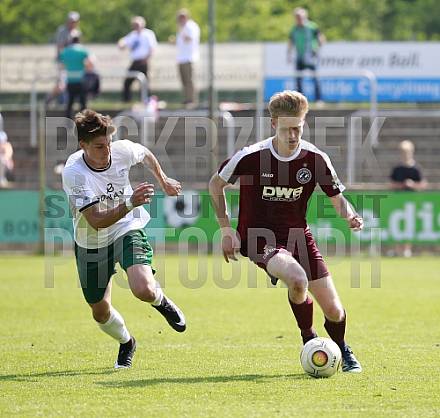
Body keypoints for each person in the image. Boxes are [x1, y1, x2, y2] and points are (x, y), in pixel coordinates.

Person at [209, 90, 363, 373]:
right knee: (297, 279)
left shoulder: (315, 159)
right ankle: (309, 338)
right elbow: (215, 185)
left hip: (298, 237)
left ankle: (342, 347)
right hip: (258, 237)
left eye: (298, 129)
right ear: (273, 124)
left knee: (334, 310)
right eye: (286, 129)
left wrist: (350, 216)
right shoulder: (251, 157)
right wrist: (226, 230)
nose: (293, 136)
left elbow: (337, 198)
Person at [62, 109, 186, 369]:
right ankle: (127, 342)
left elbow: (146, 154)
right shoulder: (74, 173)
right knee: (100, 312)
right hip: (91, 241)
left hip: (127, 227)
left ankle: (160, 301)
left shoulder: (122, 150)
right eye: (99, 147)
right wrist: (130, 202)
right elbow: (96, 221)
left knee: (143, 289)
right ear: (82, 145)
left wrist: (163, 181)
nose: (107, 151)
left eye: (108, 143)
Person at [389, 140, 427, 257]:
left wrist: (412, 185)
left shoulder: (416, 169)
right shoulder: (397, 168)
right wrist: (401, 185)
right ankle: (397, 249)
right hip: (398, 201)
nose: (405, 154)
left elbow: (423, 184)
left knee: (409, 225)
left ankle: (407, 248)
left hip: (411, 202)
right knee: (397, 224)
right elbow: (391, 184)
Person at [287, 8, 325, 103]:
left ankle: (318, 99)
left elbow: (321, 38)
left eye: (300, 17)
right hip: (300, 57)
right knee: (298, 79)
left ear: (305, 17)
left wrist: (317, 48)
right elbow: (291, 42)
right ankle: (300, 101)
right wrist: (289, 54)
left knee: (315, 78)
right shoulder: (294, 29)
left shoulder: (312, 27)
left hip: (310, 56)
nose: (299, 19)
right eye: (297, 17)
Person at [118, 16, 157, 102]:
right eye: (134, 24)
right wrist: (121, 43)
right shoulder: (133, 35)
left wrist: (146, 58)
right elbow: (123, 42)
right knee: (127, 82)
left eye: (137, 24)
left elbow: (152, 48)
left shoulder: (148, 34)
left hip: (143, 62)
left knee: (144, 83)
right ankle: (126, 101)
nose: (136, 26)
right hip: (135, 62)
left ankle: (145, 101)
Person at [47, 11, 82, 106]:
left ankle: (63, 103)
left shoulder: (77, 32)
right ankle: (48, 100)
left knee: (68, 84)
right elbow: (60, 48)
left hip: (73, 63)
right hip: (63, 62)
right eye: (71, 21)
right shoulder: (62, 31)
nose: (72, 23)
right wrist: (65, 59)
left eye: (74, 21)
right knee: (61, 84)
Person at [59, 31, 94, 118]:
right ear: (79, 40)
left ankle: (67, 122)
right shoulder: (83, 50)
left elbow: (62, 65)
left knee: (70, 103)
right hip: (81, 80)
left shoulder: (65, 51)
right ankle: (84, 121)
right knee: (83, 103)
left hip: (70, 80)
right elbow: (90, 63)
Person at [175, 9, 200, 108]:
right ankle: (187, 99)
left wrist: (182, 31)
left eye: (182, 17)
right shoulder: (182, 28)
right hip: (181, 58)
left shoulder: (191, 26)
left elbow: (189, 39)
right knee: (184, 81)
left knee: (190, 81)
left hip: (189, 58)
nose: (180, 19)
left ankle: (192, 100)